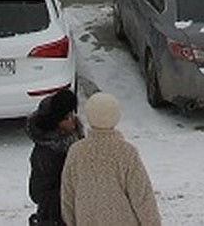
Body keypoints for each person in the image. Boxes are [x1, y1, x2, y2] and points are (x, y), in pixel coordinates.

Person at [60, 92, 161, 226]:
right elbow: (142, 197)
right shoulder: (126, 152)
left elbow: (68, 197)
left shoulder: (76, 152)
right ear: (117, 115)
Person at [27, 88, 83, 226]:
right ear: (56, 123)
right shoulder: (46, 154)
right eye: (67, 117)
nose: (73, 120)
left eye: (72, 114)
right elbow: (38, 193)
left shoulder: (76, 141)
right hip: (57, 216)